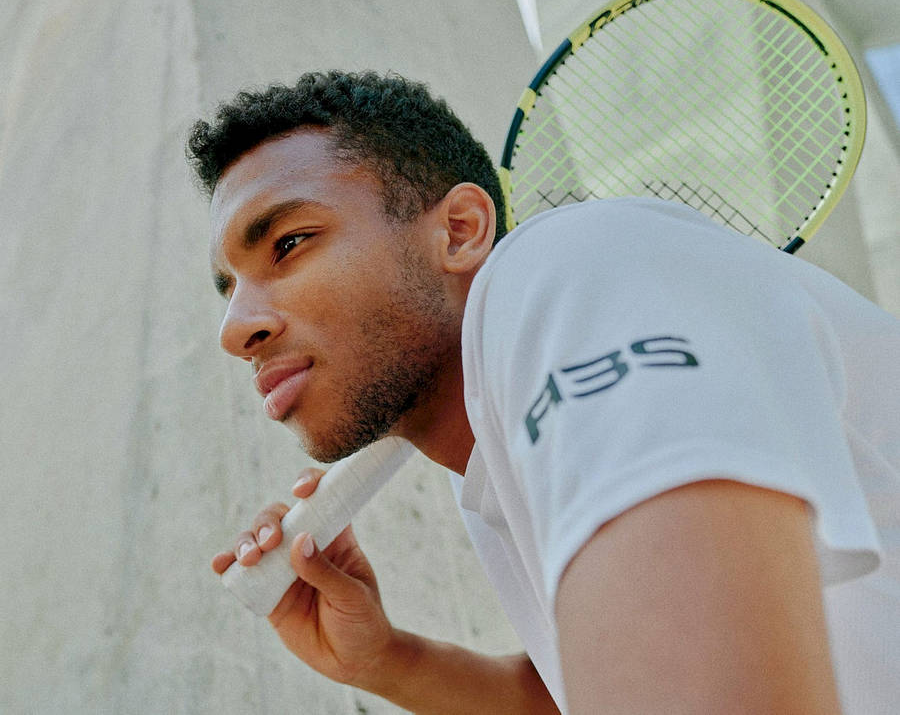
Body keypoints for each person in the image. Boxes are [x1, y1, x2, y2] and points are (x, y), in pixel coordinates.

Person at [189, 70, 900, 714]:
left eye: (288, 243)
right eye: (230, 288)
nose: (233, 329)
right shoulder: (493, 456)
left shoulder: (570, 265)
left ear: (461, 231)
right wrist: (387, 661)